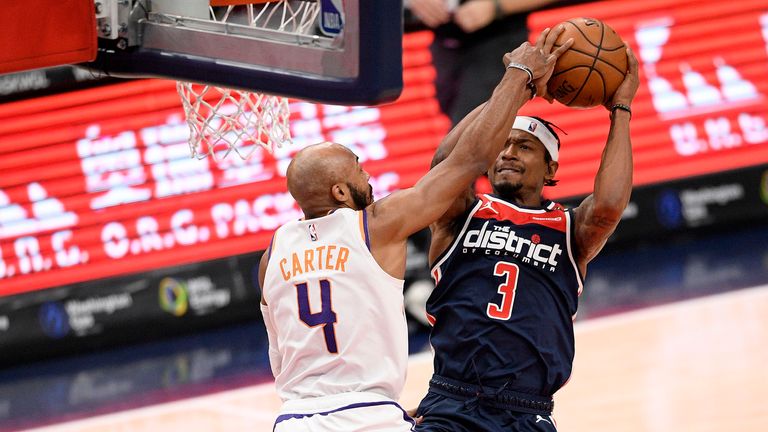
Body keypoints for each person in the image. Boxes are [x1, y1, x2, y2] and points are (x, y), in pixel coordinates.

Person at [258, 27, 573, 432]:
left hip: (294, 420)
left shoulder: (273, 253)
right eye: (359, 169)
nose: (369, 176)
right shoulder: (375, 225)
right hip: (368, 418)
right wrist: (518, 77)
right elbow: (467, 160)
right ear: (340, 190)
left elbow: (286, 349)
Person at [414, 45, 640, 431]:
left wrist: (620, 109)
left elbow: (609, 206)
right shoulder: (462, 214)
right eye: (502, 145)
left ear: (551, 167)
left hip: (526, 410)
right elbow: (444, 164)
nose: (507, 153)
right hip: (452, 400)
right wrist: (516, 83)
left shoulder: (570, 228)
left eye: (524, 146)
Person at [406, 0, 560, 126]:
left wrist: (496, 6)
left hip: (498, 39)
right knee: (459, 124)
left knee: (469, 132)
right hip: (446, 40)